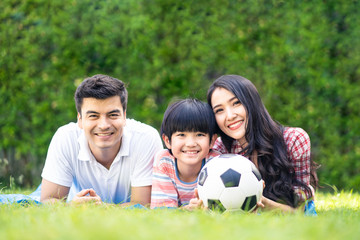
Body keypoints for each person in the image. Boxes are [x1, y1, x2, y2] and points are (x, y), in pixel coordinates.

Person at [40, 74, 163, 206]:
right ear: (80, 120)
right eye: (93, 116)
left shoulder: (146, 138)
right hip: (75, 198)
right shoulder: (65, 137)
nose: (104, 125)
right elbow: (48, 200)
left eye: (113, 115)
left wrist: (102, 208)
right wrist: (72, 206)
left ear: (124, 116)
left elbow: (143, 204)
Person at [207, 74, 318, 213]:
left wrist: (262, 203)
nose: (230, 116)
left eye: (236, 103)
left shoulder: (294, 139)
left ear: (252, 102)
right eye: (219, 110)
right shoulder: (221, 149)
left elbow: (303, 209)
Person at [150, 99, 220, 209]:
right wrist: (188, 209)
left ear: (212, 141)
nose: (191, 143)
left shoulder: (216, 163)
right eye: (182, 134)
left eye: (200, 135)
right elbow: (162, 210)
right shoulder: (164, 162)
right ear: (167, 141)